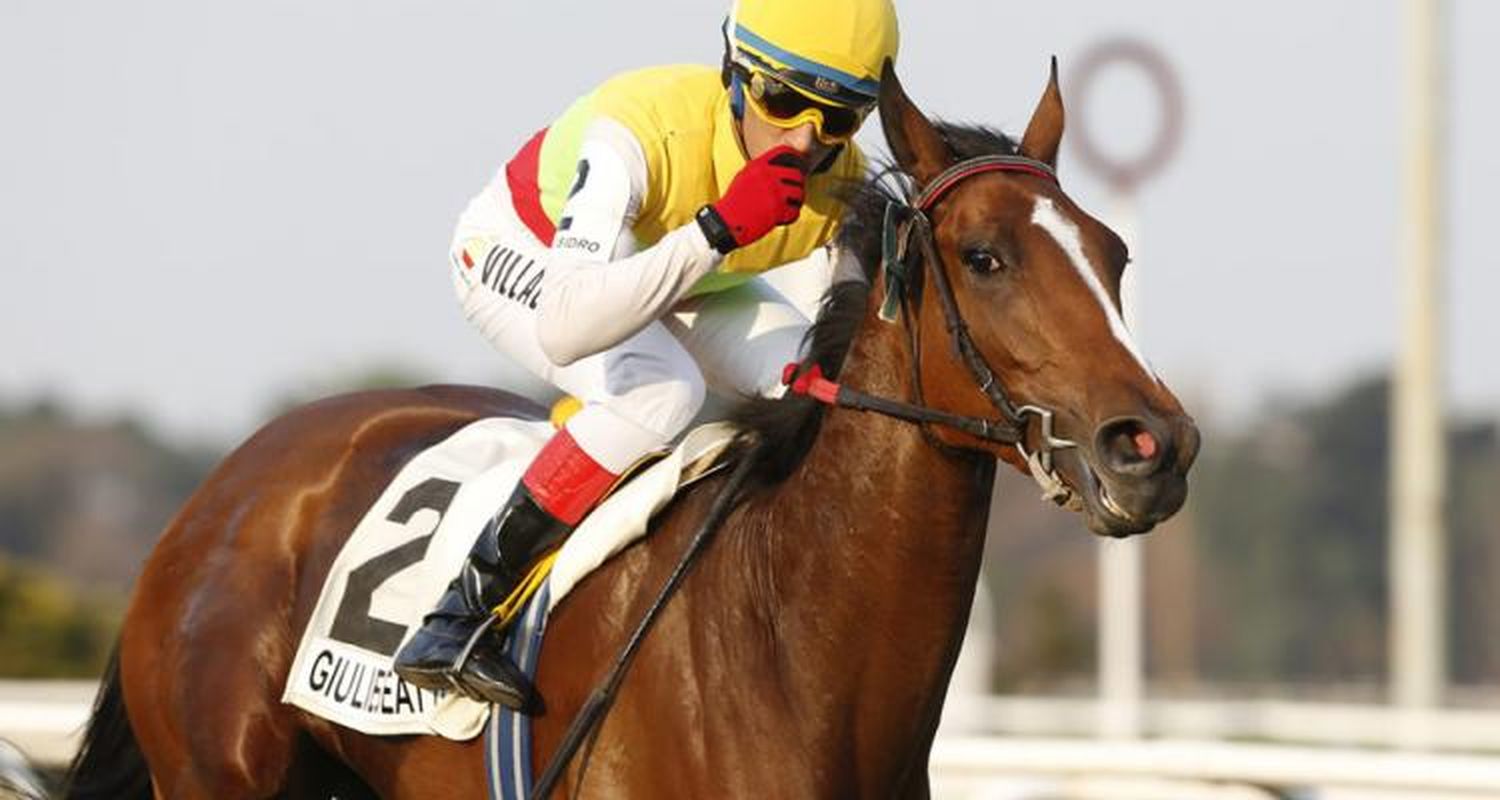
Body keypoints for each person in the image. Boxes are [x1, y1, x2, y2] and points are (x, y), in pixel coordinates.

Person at [393, 0, 900, 708]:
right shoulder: (637, 129)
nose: (805, 140)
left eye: (838, 118)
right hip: (528, 255)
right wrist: (718, 229)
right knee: (661, 390)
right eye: (782, 101)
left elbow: (850, 332)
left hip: (688, 275)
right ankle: (460, 615)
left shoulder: (842, 184)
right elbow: (568, 326)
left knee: (825, 385)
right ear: (734, 72)